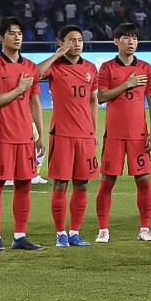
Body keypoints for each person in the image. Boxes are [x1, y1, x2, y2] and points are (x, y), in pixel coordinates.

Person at [94, 22, 151, 242]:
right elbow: (101, 97)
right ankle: (103, 230)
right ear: (116, 41)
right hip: (114, 134)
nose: (131, 42)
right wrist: (126, 84)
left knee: (143, 180)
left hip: (138, 135)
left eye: (134, 38)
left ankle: (144, 229)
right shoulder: (107, 68)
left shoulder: (146, 68)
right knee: (107, 181)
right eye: (126, 38)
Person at [0, 17, 45, 252]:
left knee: (24, 185)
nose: (17, 37)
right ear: (1, 37)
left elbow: (35, 101)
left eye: (20, 33)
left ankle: (20, 236)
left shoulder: (30, 66)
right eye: (12, 33)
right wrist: (19, 88)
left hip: (25, 136)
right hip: (3, 135)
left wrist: (40, 133)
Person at [37, 25, 99, 247]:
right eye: (71, 40)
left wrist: (94, 131)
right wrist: (57, 55)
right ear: (62, 43)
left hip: (84, 135)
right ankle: (60, 233)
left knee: (82, 185)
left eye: (80, 40)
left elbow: (93, 101)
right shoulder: (55, 67)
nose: (77, 44)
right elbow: (35, 73)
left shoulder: (91, 68)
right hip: (61, 134)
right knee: (61, 184)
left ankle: (75, 232)